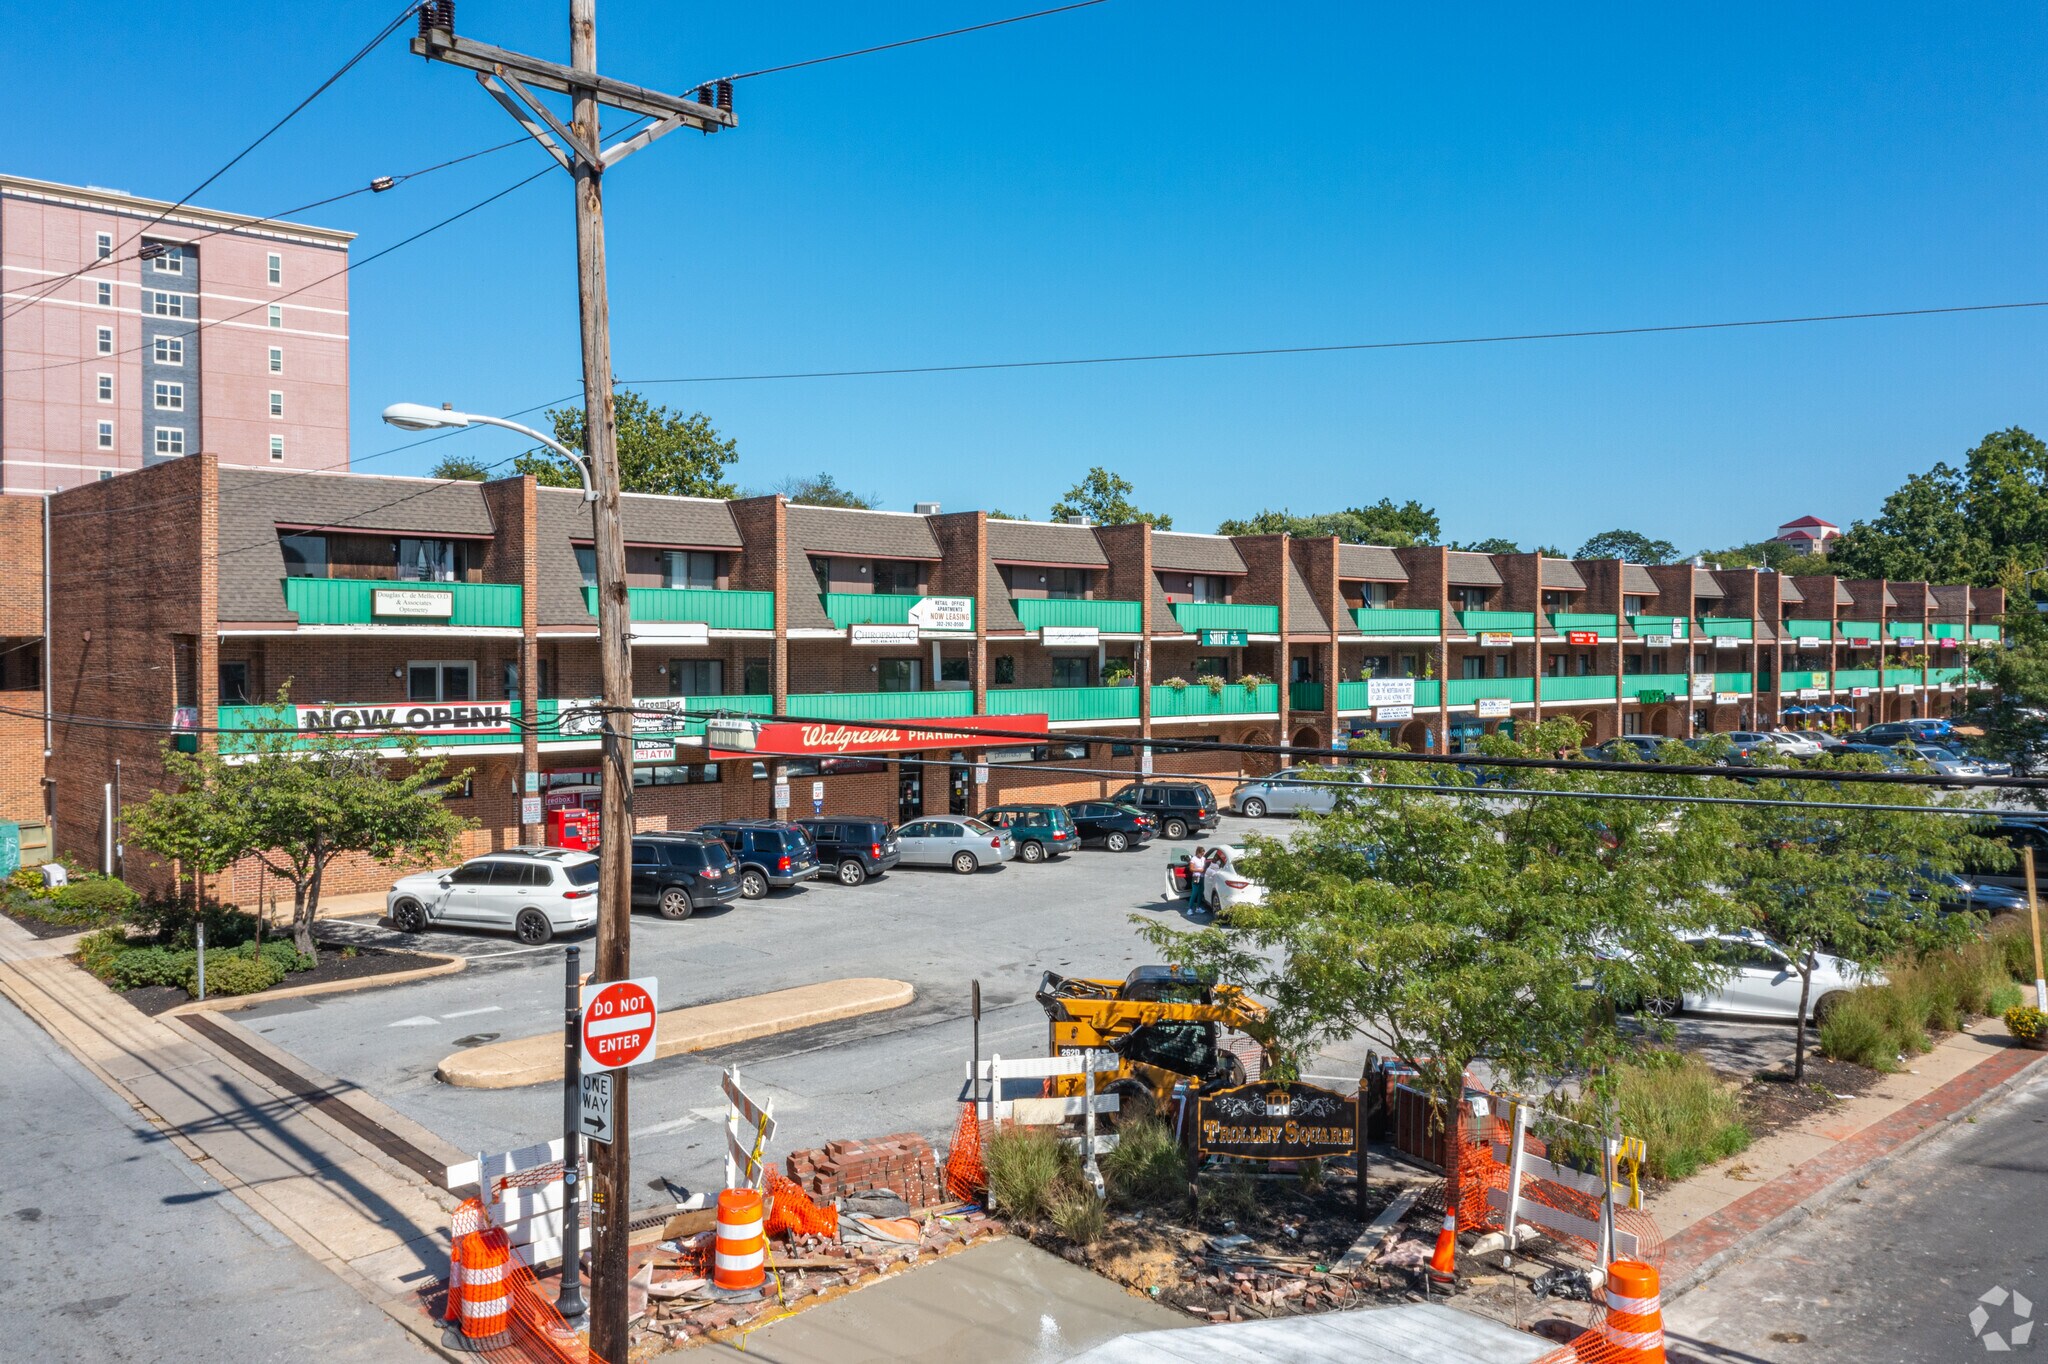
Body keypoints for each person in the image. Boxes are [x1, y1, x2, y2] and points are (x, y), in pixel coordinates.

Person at [1185, 845, 1208, 910]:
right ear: (1198, 852)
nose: (1202, 855)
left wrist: (1204, 870)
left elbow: (1204, 866)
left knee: (1201, 892)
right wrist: (1199, 870)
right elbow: (1191, 869)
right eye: (1201, 854)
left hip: (1202, 877)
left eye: (1203, 854)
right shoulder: (1193, 859)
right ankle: (1190, 908)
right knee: (1194, 893)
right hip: (1196, 877)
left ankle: (1198, 907)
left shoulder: (1203, 859)